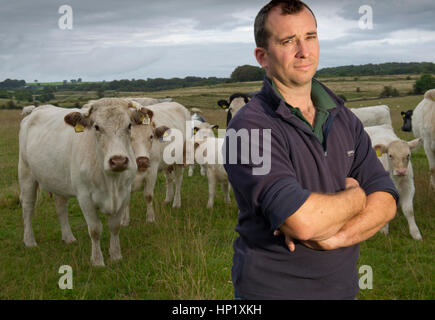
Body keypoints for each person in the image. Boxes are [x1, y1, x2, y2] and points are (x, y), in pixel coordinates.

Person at [223, 0, 399, 300]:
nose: (304, 51)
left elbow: (386, 201)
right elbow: (302, 222)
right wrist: (357, 196)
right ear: (262, 56)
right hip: (273, 293)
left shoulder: (343, 117)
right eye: (288, 41)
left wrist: (337, 237)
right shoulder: (249, 128)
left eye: (310, 37)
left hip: (342, 290)